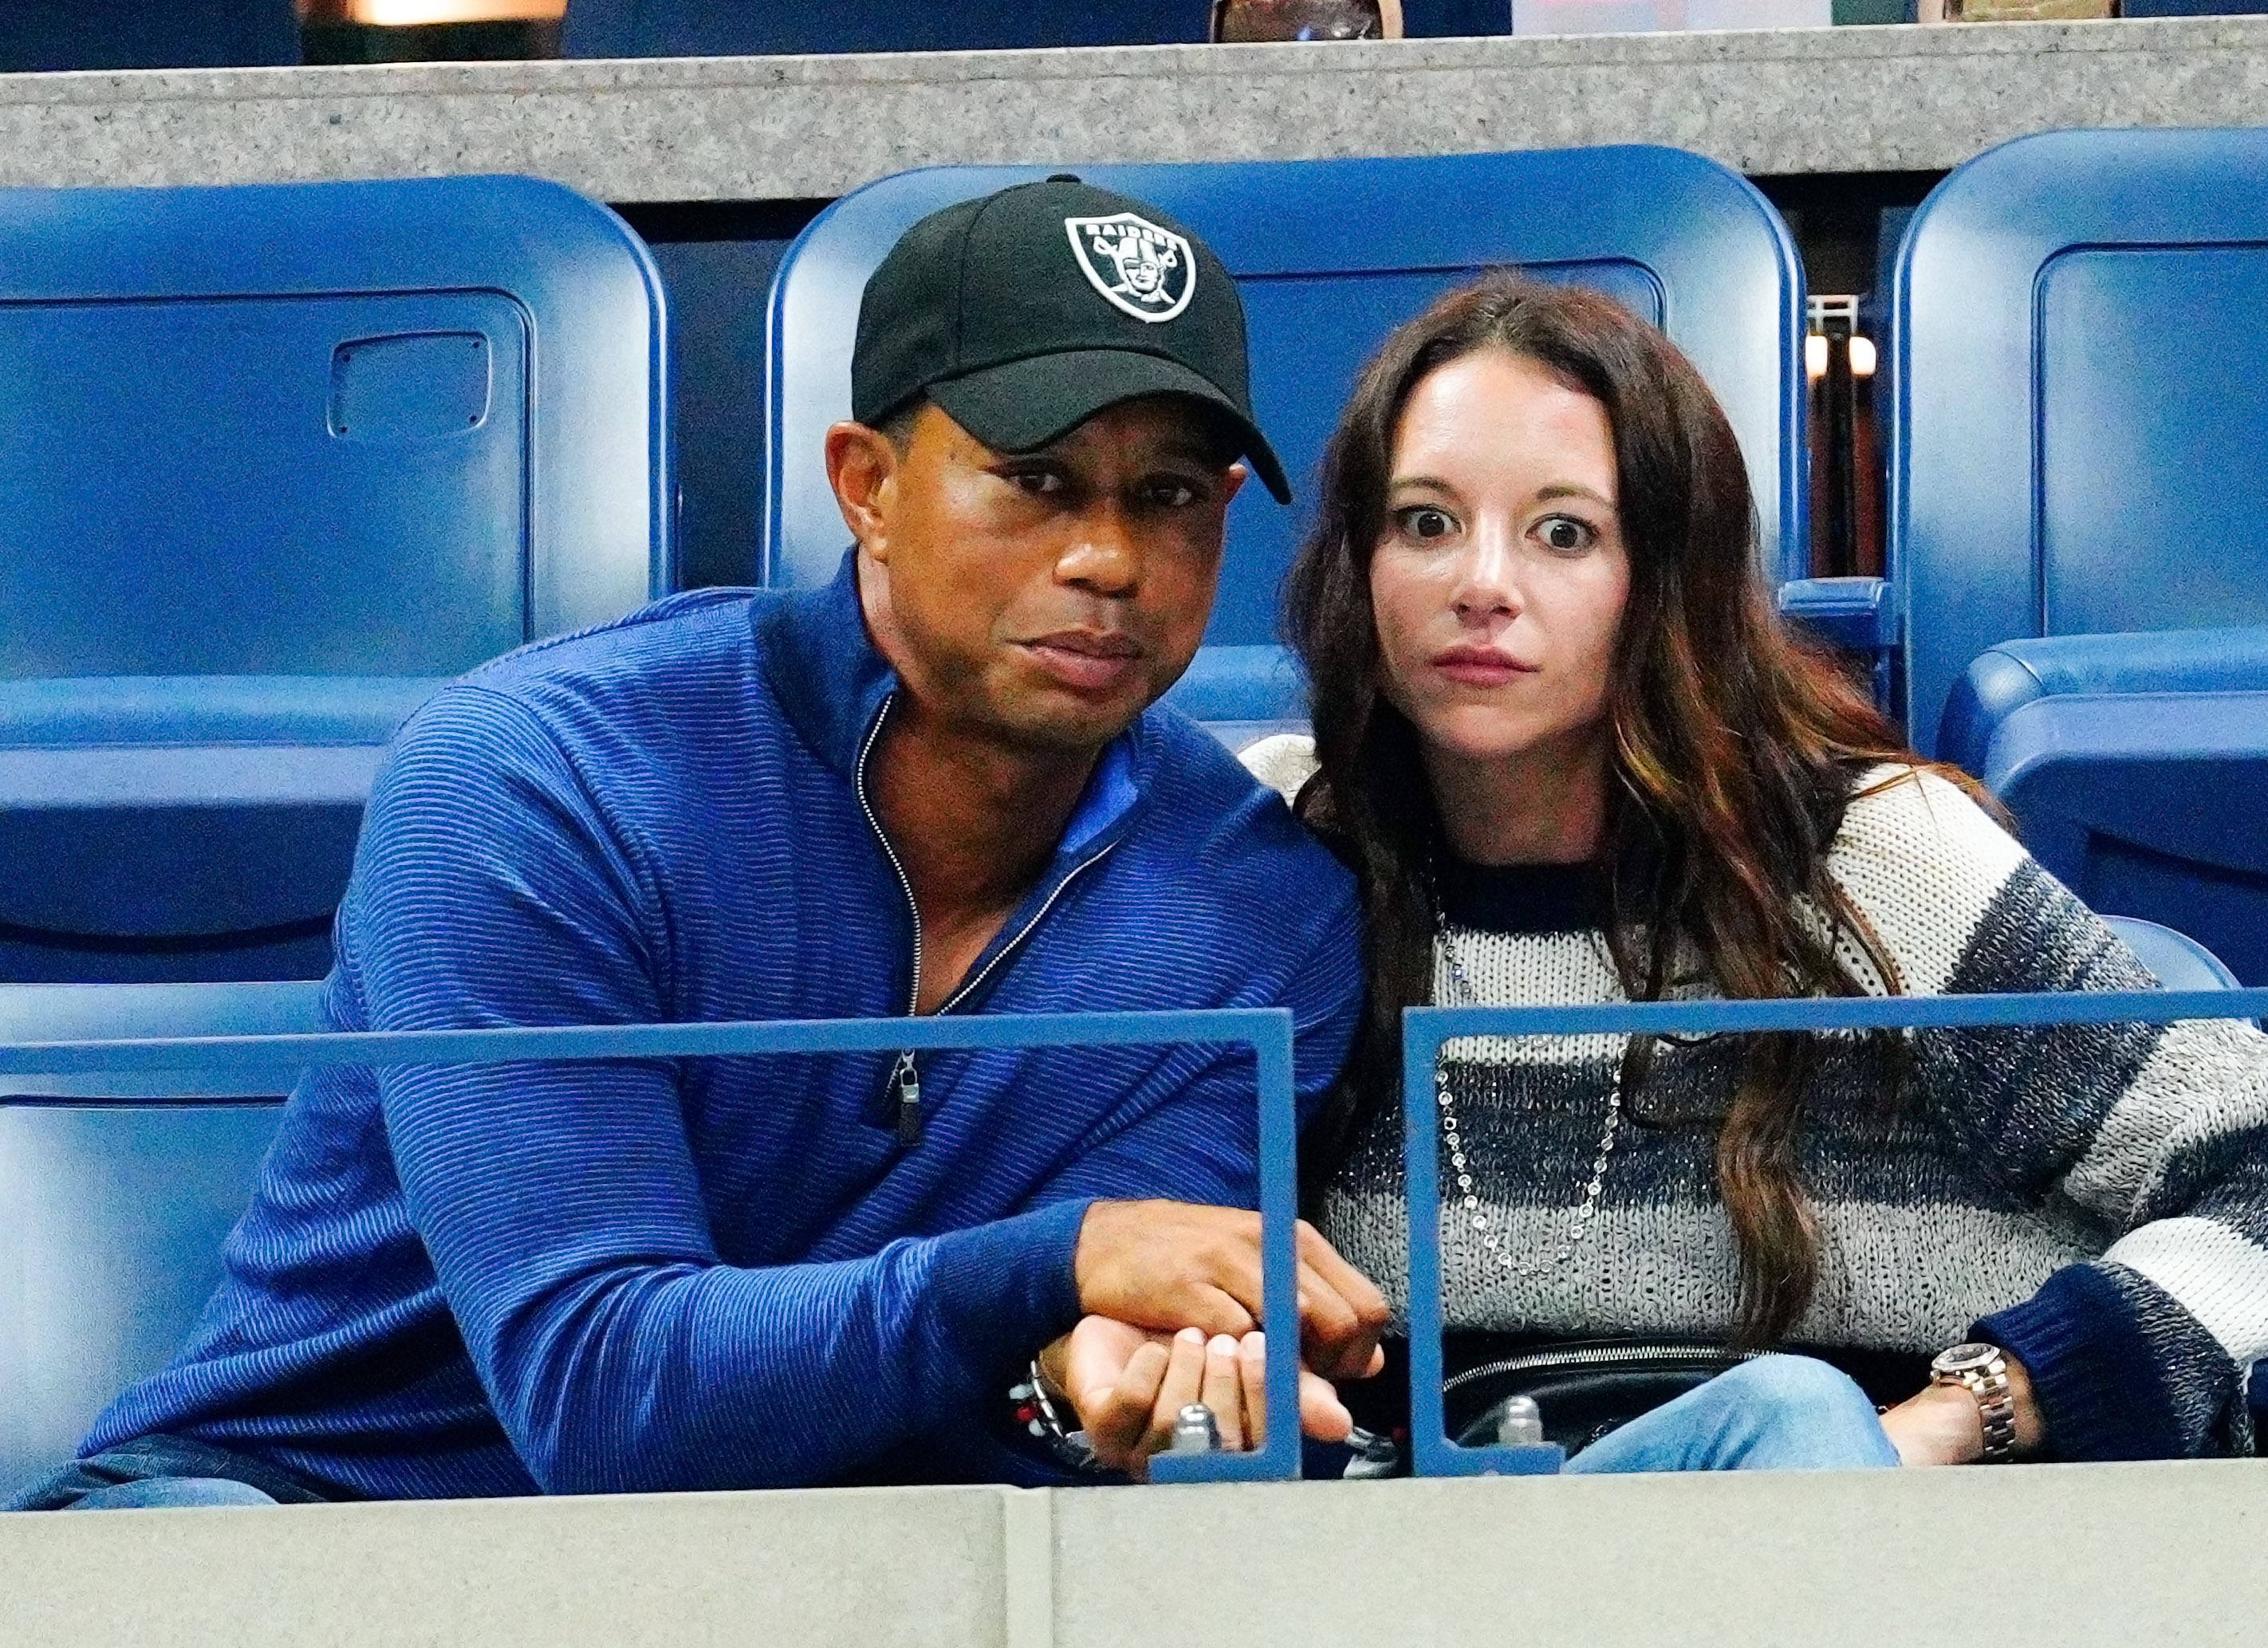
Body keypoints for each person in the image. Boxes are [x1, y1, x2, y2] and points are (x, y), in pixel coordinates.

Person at [9, 179, 1391, 1510]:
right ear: (866, 486)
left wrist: (1085, 1391)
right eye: (1033, 480)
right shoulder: (538, 777)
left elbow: (1064, 1351)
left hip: (851, 1562)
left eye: (1169, 498)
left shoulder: (1259, 907)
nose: (1108, 558)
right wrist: (1051, 1272)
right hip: (313, 1514)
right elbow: (605, 1400)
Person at [1080, 271, 2268, 1475]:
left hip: (1857, 1554)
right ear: (1358, 564)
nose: (1481, 586)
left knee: (1793, 1420)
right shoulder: (1277, 845)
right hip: (1439, 1565)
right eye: (1427, 523)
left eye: (1563, 535)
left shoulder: (1875, 858)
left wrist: (1950, 1421)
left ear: (1670, 580)